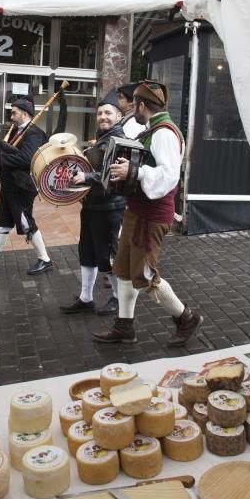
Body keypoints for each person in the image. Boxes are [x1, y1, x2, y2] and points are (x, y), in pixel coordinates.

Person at [92, 80, 204, 347]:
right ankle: (125, 327)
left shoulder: (164, 133)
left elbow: (168, 177)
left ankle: (186, 318)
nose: (132, 111)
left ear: (142, 105)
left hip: (152, 215)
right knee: (124, 271)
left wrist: (134, 172)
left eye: (134, 106)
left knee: (143, 275)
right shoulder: (153, 130)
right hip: (138, 210)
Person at [0, 95, 54, 275]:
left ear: (24, 113)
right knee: (2, 223)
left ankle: (45, 260)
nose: (11, 117)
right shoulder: (17, 131)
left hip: (22, 188)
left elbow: (26, 159)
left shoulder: (34, 133)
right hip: (9, 185)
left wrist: (0, 158)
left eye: (14, 113)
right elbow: (10, 157)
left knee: (25, 222)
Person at [60, 88, 127, 316]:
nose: (102, 117)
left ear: (118, 116)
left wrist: (86, 177)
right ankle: (86, 298)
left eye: (108, 113)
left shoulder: (120, 140)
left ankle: (119, 299)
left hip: (109, 208)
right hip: (92, 205)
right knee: (87, 251)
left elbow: (114, 174)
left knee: (107, 255)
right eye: (99, 114)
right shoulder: (102, 138)